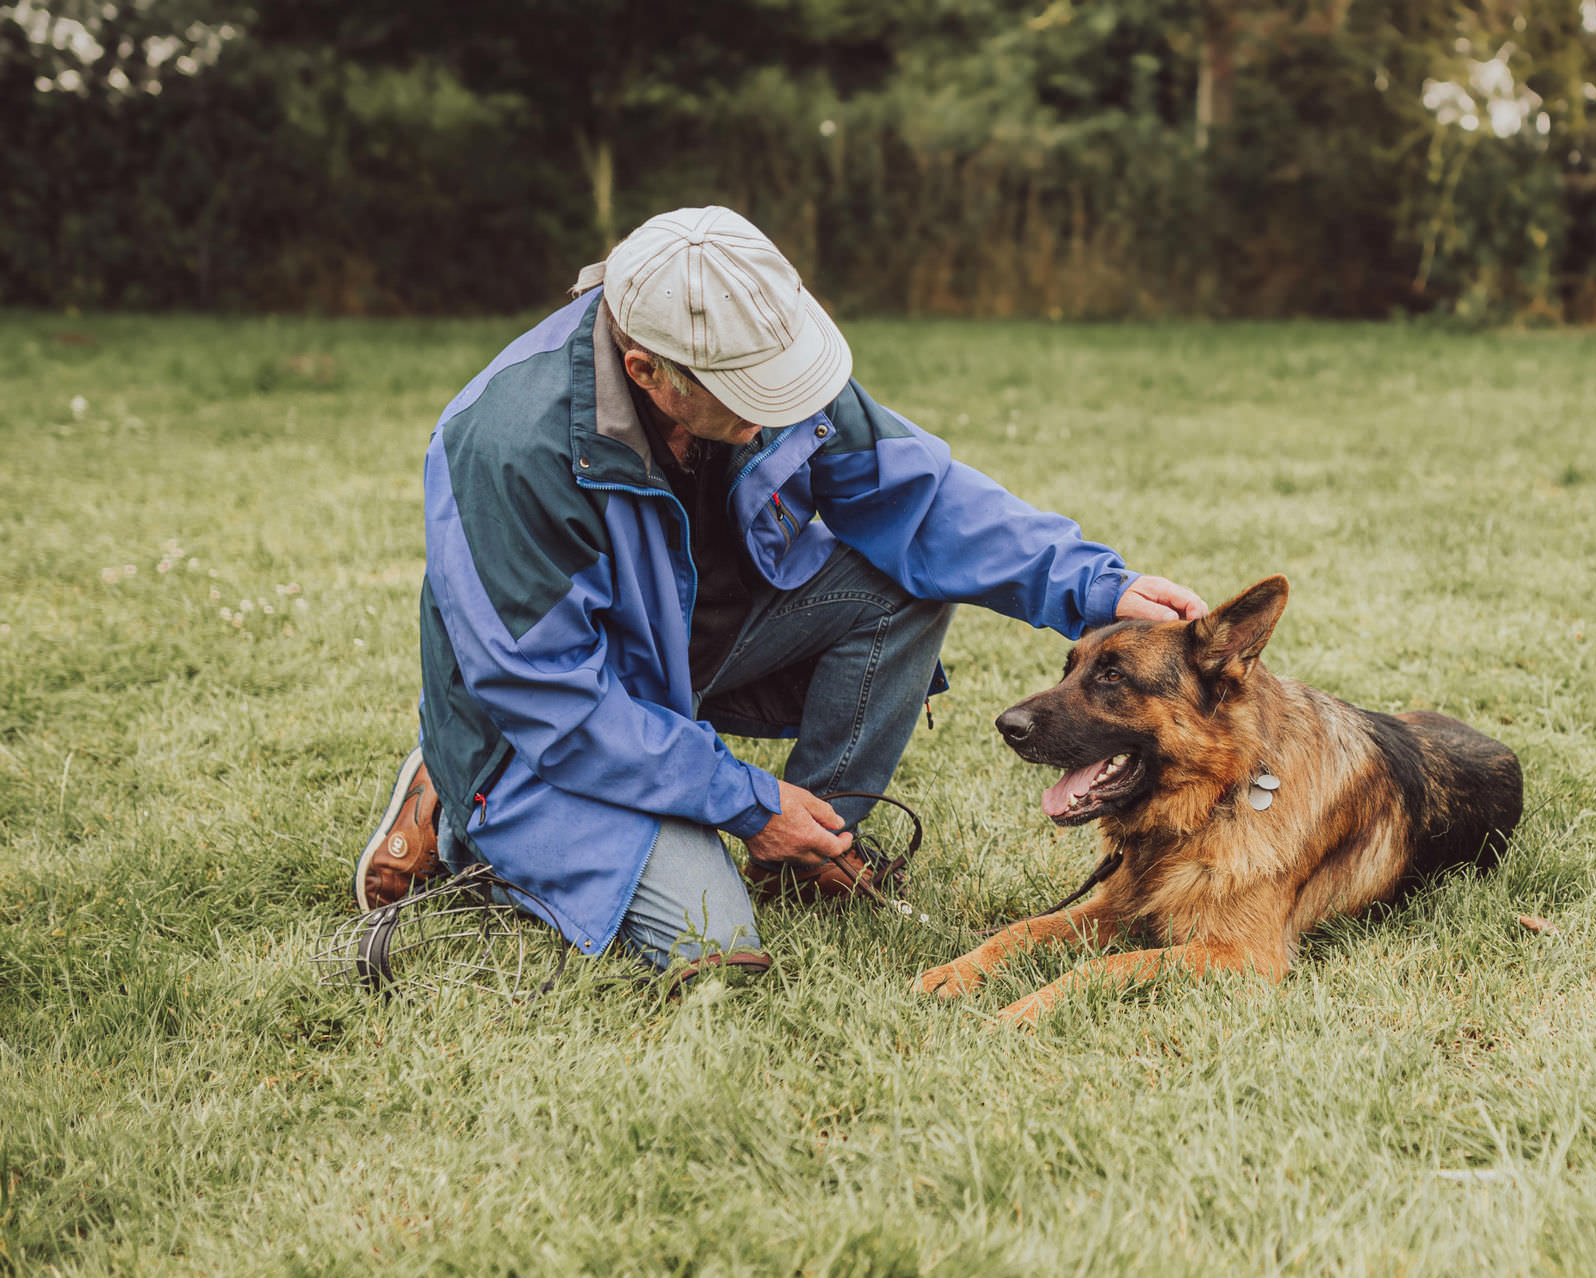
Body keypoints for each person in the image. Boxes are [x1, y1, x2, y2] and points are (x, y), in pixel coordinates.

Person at [353, 206, 1205, 978]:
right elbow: (557, 701)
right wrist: (747, 801)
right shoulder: (508, 448)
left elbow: (919, 498)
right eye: (751, 399)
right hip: (545, 724)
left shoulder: (754, 350)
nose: (781, 411)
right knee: (713, 945)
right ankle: (460, 814)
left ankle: (811, 846)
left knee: (900, 586)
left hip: (684, 655)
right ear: (648, 371)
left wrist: (1101, 586)